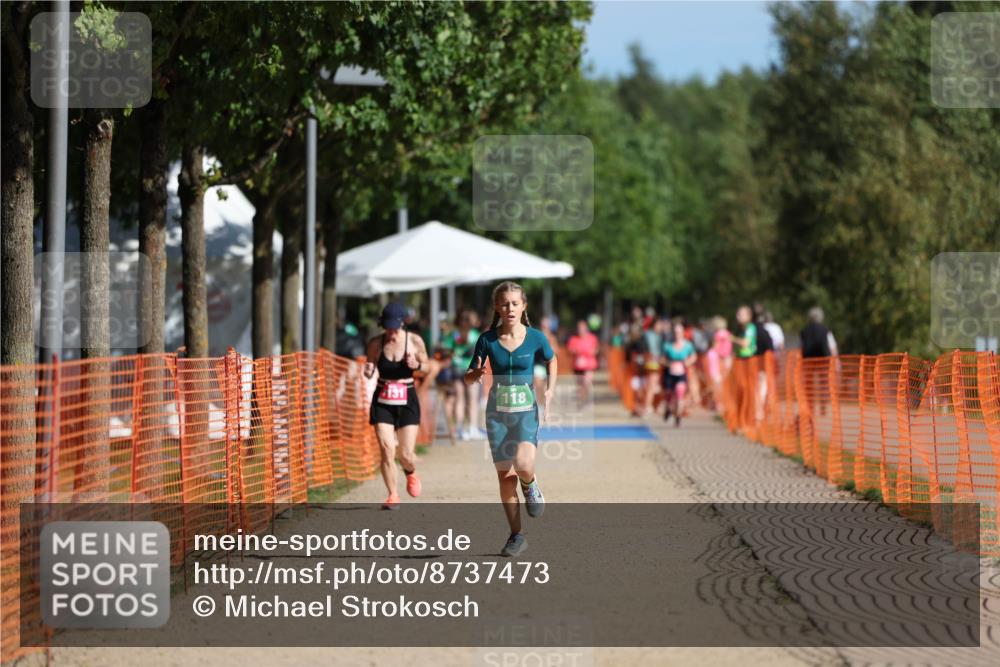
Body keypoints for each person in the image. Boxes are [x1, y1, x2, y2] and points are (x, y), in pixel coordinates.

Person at [466, 281, 557, 558]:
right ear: (497, 307)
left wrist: (550, 390)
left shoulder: (536, 338)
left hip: (526, 413)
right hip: (497, 415)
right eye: (504, 304)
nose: (510, 308)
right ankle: (517, 536)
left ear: (523, 306)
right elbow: (469, 375)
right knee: (506, 479)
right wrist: (474, 375)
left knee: (524, 464)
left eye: (515, 303)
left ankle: (530, 486)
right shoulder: (487, 340)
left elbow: (551, 360)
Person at [364, 302, 428, 510]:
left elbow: (427, 367)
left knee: (406, 454)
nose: (391, 332)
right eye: (388, 327)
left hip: (407, 398)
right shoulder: (375, 343)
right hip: (383, 399)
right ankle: (393, 494)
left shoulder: (415, 341)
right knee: (386, 447)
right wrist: (368, 370)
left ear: (403, 323)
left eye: (395, 327)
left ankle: (410, 473)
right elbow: (370, 366)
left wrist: (416, 365)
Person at [447, 310, 484, 440]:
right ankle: (472, 429)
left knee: (460, 399)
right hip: (471, 369)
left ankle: (460, 430)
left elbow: (448, 350)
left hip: (456, 368)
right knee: (472, 400)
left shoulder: (454, 334)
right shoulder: (475, 335)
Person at [661, 321, 696, 427]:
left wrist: (688, 362)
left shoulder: (688, 345)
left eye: (679, 332)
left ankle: (678, 417)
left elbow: (694, 356)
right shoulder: (667, 345)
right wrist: (669, 364)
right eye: (675, 332)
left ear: (683, 333)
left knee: (679, 393)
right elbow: (662, 359)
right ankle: (667, 409)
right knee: (668, 395)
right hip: (669, 373)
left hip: (681, 373)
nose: (677, 334)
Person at [567, 319, 599, 404]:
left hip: (589, 365)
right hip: (577, 366)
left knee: (586, 383)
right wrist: (576, 351)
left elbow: (596, 349)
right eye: (579, 328)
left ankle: (583, 400)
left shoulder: (592, 338)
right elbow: (570, 350)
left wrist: (592, 351)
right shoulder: (573, 339)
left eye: (583, 328)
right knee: (580, 385)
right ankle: (582, 399)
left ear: (586, 328)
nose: (581, 330)